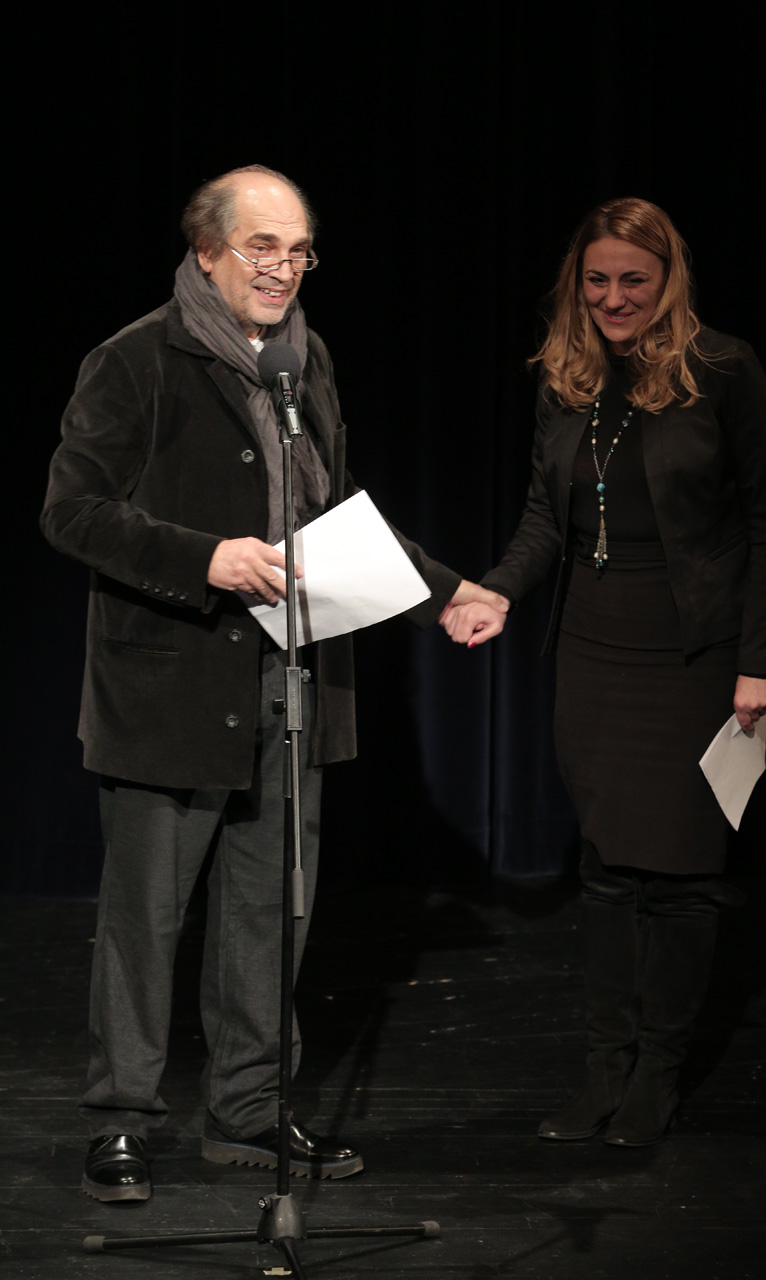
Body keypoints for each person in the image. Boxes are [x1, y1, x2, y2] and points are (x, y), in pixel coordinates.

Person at [42, 163, 507, 1201]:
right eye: (262, 246)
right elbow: (71, 511)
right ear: (206, 251)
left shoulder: (306, 360)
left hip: (292, 680)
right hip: (168, 687)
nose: (283, 268)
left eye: (299, 251)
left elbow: (333, 509)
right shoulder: (135, 358)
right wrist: (204, 558)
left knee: (269, 911)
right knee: (146, 917)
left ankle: (247, 1111)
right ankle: (120, 1119)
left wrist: (441, 590)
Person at [441, 198, 766, 1146]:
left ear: (667, 278)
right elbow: (541, 518)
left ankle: (657, 1077)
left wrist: (760, 662)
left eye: (632, 279)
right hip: (592, 654)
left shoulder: (722, 369)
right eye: (596, 280)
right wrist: (498, 590)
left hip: (694, 658)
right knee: (602, 871)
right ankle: (603, 1070)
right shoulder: (565, 379)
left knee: (678, 878)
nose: (612, 298)